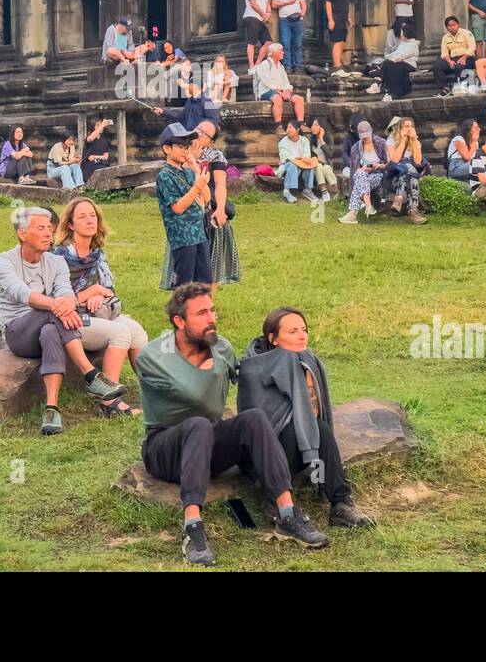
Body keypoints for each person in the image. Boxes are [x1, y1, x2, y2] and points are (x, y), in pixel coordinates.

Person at [138, 283, 329, 566]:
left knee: (253, 418)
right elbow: (197, 395)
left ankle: (287, 514)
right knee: (199, 424)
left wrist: (292, 361)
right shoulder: (153, 356)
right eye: (201, 313)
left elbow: (252, 377)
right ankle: (193, 528)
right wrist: (214, 366)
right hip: (165, 448)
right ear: (179, 322)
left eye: (212, 311)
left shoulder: (221, 347)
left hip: (208, 443)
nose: (212, 318)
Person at [238, 307, 375, 529]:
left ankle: (341, 504)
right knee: (299, 428)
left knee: (318, 427)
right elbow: (259, 427)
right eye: (293, 331)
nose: (302, 336)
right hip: (263, 457)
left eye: (304, 329)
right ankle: (276, 502)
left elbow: (313, 414)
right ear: (273, 339)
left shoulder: (306, 361)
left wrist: (306, 375)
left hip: (300, 449)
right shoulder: (251, 369)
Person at [0, 207, 127, 434]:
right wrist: (61, 305)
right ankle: (91, 375)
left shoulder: (55, 262)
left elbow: (66, 292)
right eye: (41, 228)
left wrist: (65, 303)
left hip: (48, 326)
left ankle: (51, 409)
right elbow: (23, 295)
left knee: (50, 331)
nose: (49, 233)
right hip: (18, 333)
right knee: (51, 313)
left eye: (50, 228)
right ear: (22, 234)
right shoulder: (4, 261)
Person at [52, 197, 147, 416]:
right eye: (82, 216)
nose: (89, 220)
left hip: (99, 310)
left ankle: (153, 393)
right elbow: (58, 301)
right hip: (71, 320)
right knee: (121, 333)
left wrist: (99, 293)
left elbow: (109, 289)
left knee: (136, 331)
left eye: (92, 215)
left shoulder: (97, 253)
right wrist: (90, 293)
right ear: (71, 224)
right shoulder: (59, 257)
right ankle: (109, 403)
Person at [157, 122, 213, 288]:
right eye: (180, 146)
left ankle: (201, 311)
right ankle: (182, 313)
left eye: (187, 146)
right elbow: (178, 207)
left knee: (204, 281)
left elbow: (207, 198)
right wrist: (197, 186)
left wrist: (195, 168)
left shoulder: (188, 171)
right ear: (167, 148)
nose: (185, 150)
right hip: (182, 238)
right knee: (184, 284)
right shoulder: (165, 176)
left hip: (199, 234)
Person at [191, 120, 241, 287]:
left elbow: (220, 185)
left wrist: (220, 209)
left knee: (212, 260)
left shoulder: (215, 155)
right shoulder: (182, 149)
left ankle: (208, 303)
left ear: (211, 141)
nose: (199, 133)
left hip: (209, 210)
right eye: (198, 129)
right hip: (187, 210)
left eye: (205, 133)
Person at [339, 120, 389, 225]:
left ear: (371, 131)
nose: (365, 138)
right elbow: (354, 172)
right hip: (364, 177)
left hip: (380, 175)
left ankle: (354, 213)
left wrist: (379, 165)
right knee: (359, 174)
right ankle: (366, 207)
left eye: (367, 135)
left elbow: (390, 163)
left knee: (359, 176)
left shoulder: (381, 143)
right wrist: (363, 169)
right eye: (363, 136)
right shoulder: (356, 148)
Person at [384, 117, 427, 223]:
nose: (409, 129)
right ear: (400, 128)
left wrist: (413, 140)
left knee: (410, 173)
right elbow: (395, 160)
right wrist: (403, 141)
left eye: (411, 126)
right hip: (393, 177)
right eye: (406, 126)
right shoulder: (391, 141)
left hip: (407, 177)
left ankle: (400, 198)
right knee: (409, 169)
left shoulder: (416, 142)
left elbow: (417, 161)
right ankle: (413, 211)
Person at [254, 44, 306, 128]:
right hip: (267, 91)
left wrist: (288, 92)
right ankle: (278, 126)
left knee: (299, 99)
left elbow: (286, 82)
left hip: (282, 91)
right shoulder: (264, 65)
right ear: (274, 52)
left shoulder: (280, 66)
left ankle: (301, 124)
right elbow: (268, 82)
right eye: (281, 50)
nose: (283, 52)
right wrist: (280, 93)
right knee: (277, 99)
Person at [272, 0, 307, 71]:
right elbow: (274, 4)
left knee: (298, 44)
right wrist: (288, 2)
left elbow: (303, 4)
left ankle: (298, 65)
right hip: (285, 20)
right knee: (286, 43)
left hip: (297, 20)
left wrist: (302, 15)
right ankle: (287, 66)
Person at [432, 16, 478, 94]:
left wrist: (464, 58)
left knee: (459, 66)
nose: (453, 27)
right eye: (450, 26)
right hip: (453, 59)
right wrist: (449, 61)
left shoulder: (466, 33)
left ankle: (460, 86)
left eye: (454, 24)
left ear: (458, 24)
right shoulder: (445, 37)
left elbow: (472, 47)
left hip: (467, 58)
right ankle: (445, 88)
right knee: (437, 66)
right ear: (447, 28)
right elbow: (444, 53)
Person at [277, 120, 318, 204]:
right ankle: (287, 191)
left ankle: (308, 190)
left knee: (309, 166)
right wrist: (300, 158)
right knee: (292, 165)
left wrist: (303, 159)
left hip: (302, 164)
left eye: (291, 128)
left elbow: (307, 156)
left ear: (298, 129)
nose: (288, 130)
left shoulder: (304, 140)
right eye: (287, 128)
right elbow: (286, 158)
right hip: (288, 165)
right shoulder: (283, 142)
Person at [376, 20, 418, 100]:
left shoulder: (413, 44)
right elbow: (395, 54)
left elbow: (403, 55)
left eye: (402, 32)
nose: (400, 34)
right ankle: (387, 89)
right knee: (386, 64)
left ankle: (395, 91)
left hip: (408, 65)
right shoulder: (403, 44)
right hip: (399, 63)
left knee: (393, 66)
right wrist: (388, 57)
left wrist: (394, 59)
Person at [325, 0, 353, 74]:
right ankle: (336, 66)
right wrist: (330, 20)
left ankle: (339, 64)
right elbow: (328, 3)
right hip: (335, 18)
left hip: (343, 18)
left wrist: (349, 17)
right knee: (337, 41)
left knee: (342, 41)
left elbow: (345, 3)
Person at [243, 0, 272, 69]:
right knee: (252, 42)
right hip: (252, 17)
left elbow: (267, 4)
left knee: (268, 42)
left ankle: (257, 64)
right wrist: (264, 14)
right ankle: (251, 66)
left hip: (260, 19)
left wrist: (268, 13)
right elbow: (253, 3)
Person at [307, 119, 336, 201]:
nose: (313, 127)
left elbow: (330, 155)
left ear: (322, 127)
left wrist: (322, 140)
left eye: (316, 125)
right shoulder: (310, 140)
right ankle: (324, 192)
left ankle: (336, 190)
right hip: (315, 165)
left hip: (327, 165)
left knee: (325, 168)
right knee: (319, 166)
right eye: (312, 125)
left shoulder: (329, 138)